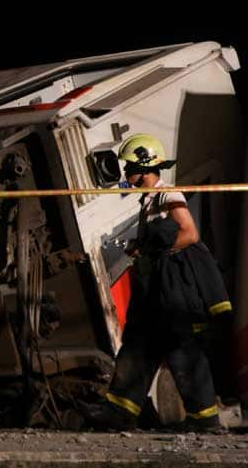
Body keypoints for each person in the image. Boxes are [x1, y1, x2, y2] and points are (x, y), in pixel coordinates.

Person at [80, 134, 231, 431]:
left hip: (172, 292)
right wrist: (140, 249)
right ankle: (118, 412)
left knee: (182, 352)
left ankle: (206, 421)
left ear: (144, 166)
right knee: (138, 347)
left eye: (129, 168)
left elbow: (190, 234)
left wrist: (157, 249)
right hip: (155, 291)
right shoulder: (149, 200)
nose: (125, 174)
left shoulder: (168, 195)